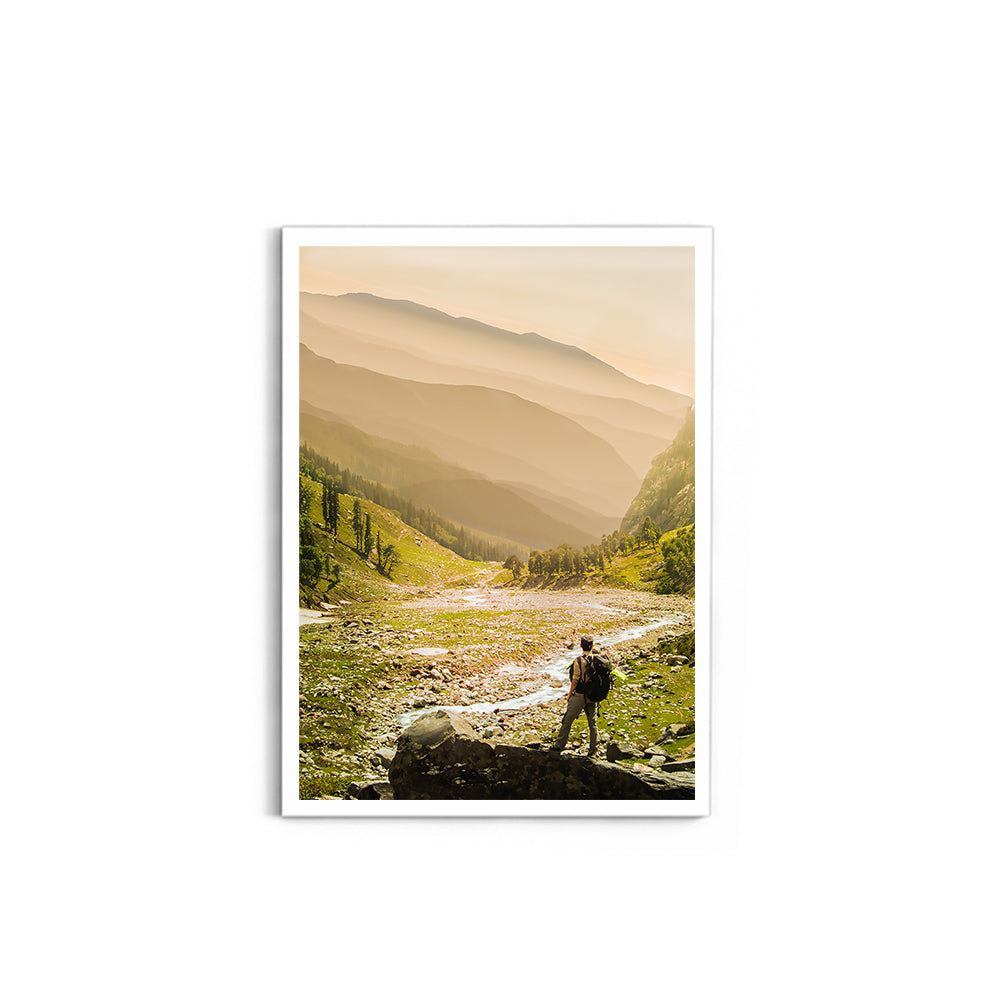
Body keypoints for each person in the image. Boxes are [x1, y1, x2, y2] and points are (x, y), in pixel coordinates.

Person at [548, 635, 599, 756]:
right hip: (593, 695)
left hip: (580, 695)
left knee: (567, 720)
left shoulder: (578, 660)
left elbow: (575, 679)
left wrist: (570, 694)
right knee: (593, 722)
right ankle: (594, 749)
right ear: (592, 646)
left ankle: (559, 745)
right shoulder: (597, 660)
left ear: (581, 646)